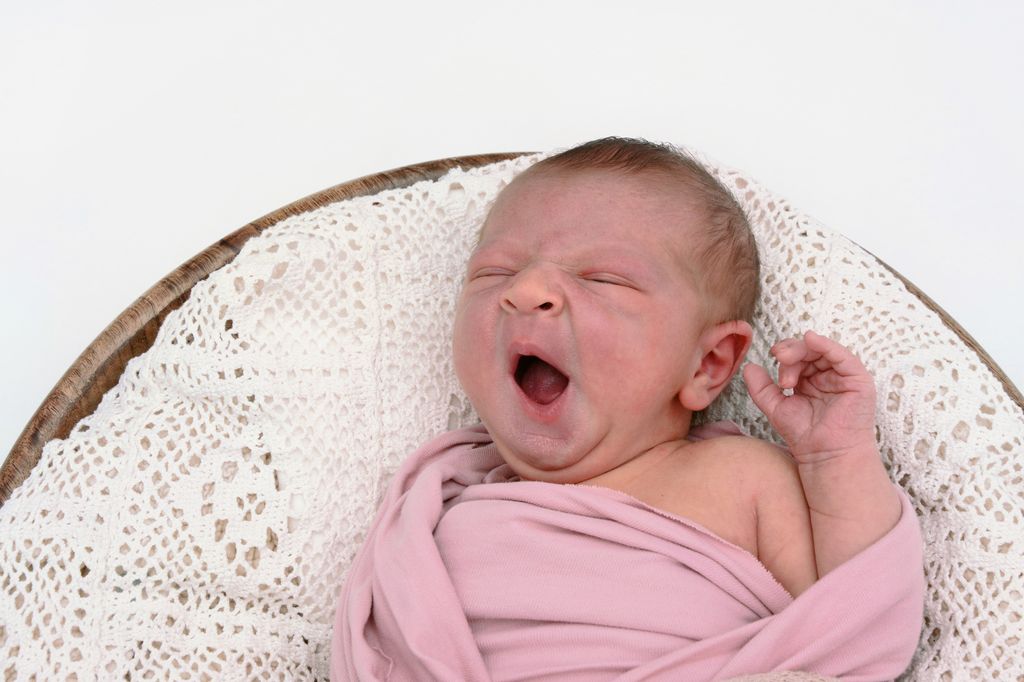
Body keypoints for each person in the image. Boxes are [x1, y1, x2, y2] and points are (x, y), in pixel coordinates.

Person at [332, 138, 924, 681]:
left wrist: (835, 456)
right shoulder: (442, 502)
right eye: (495, 271)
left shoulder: (742, 479)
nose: (526, 290)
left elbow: (855, 618)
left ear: (708, 363)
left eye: (603, 279)